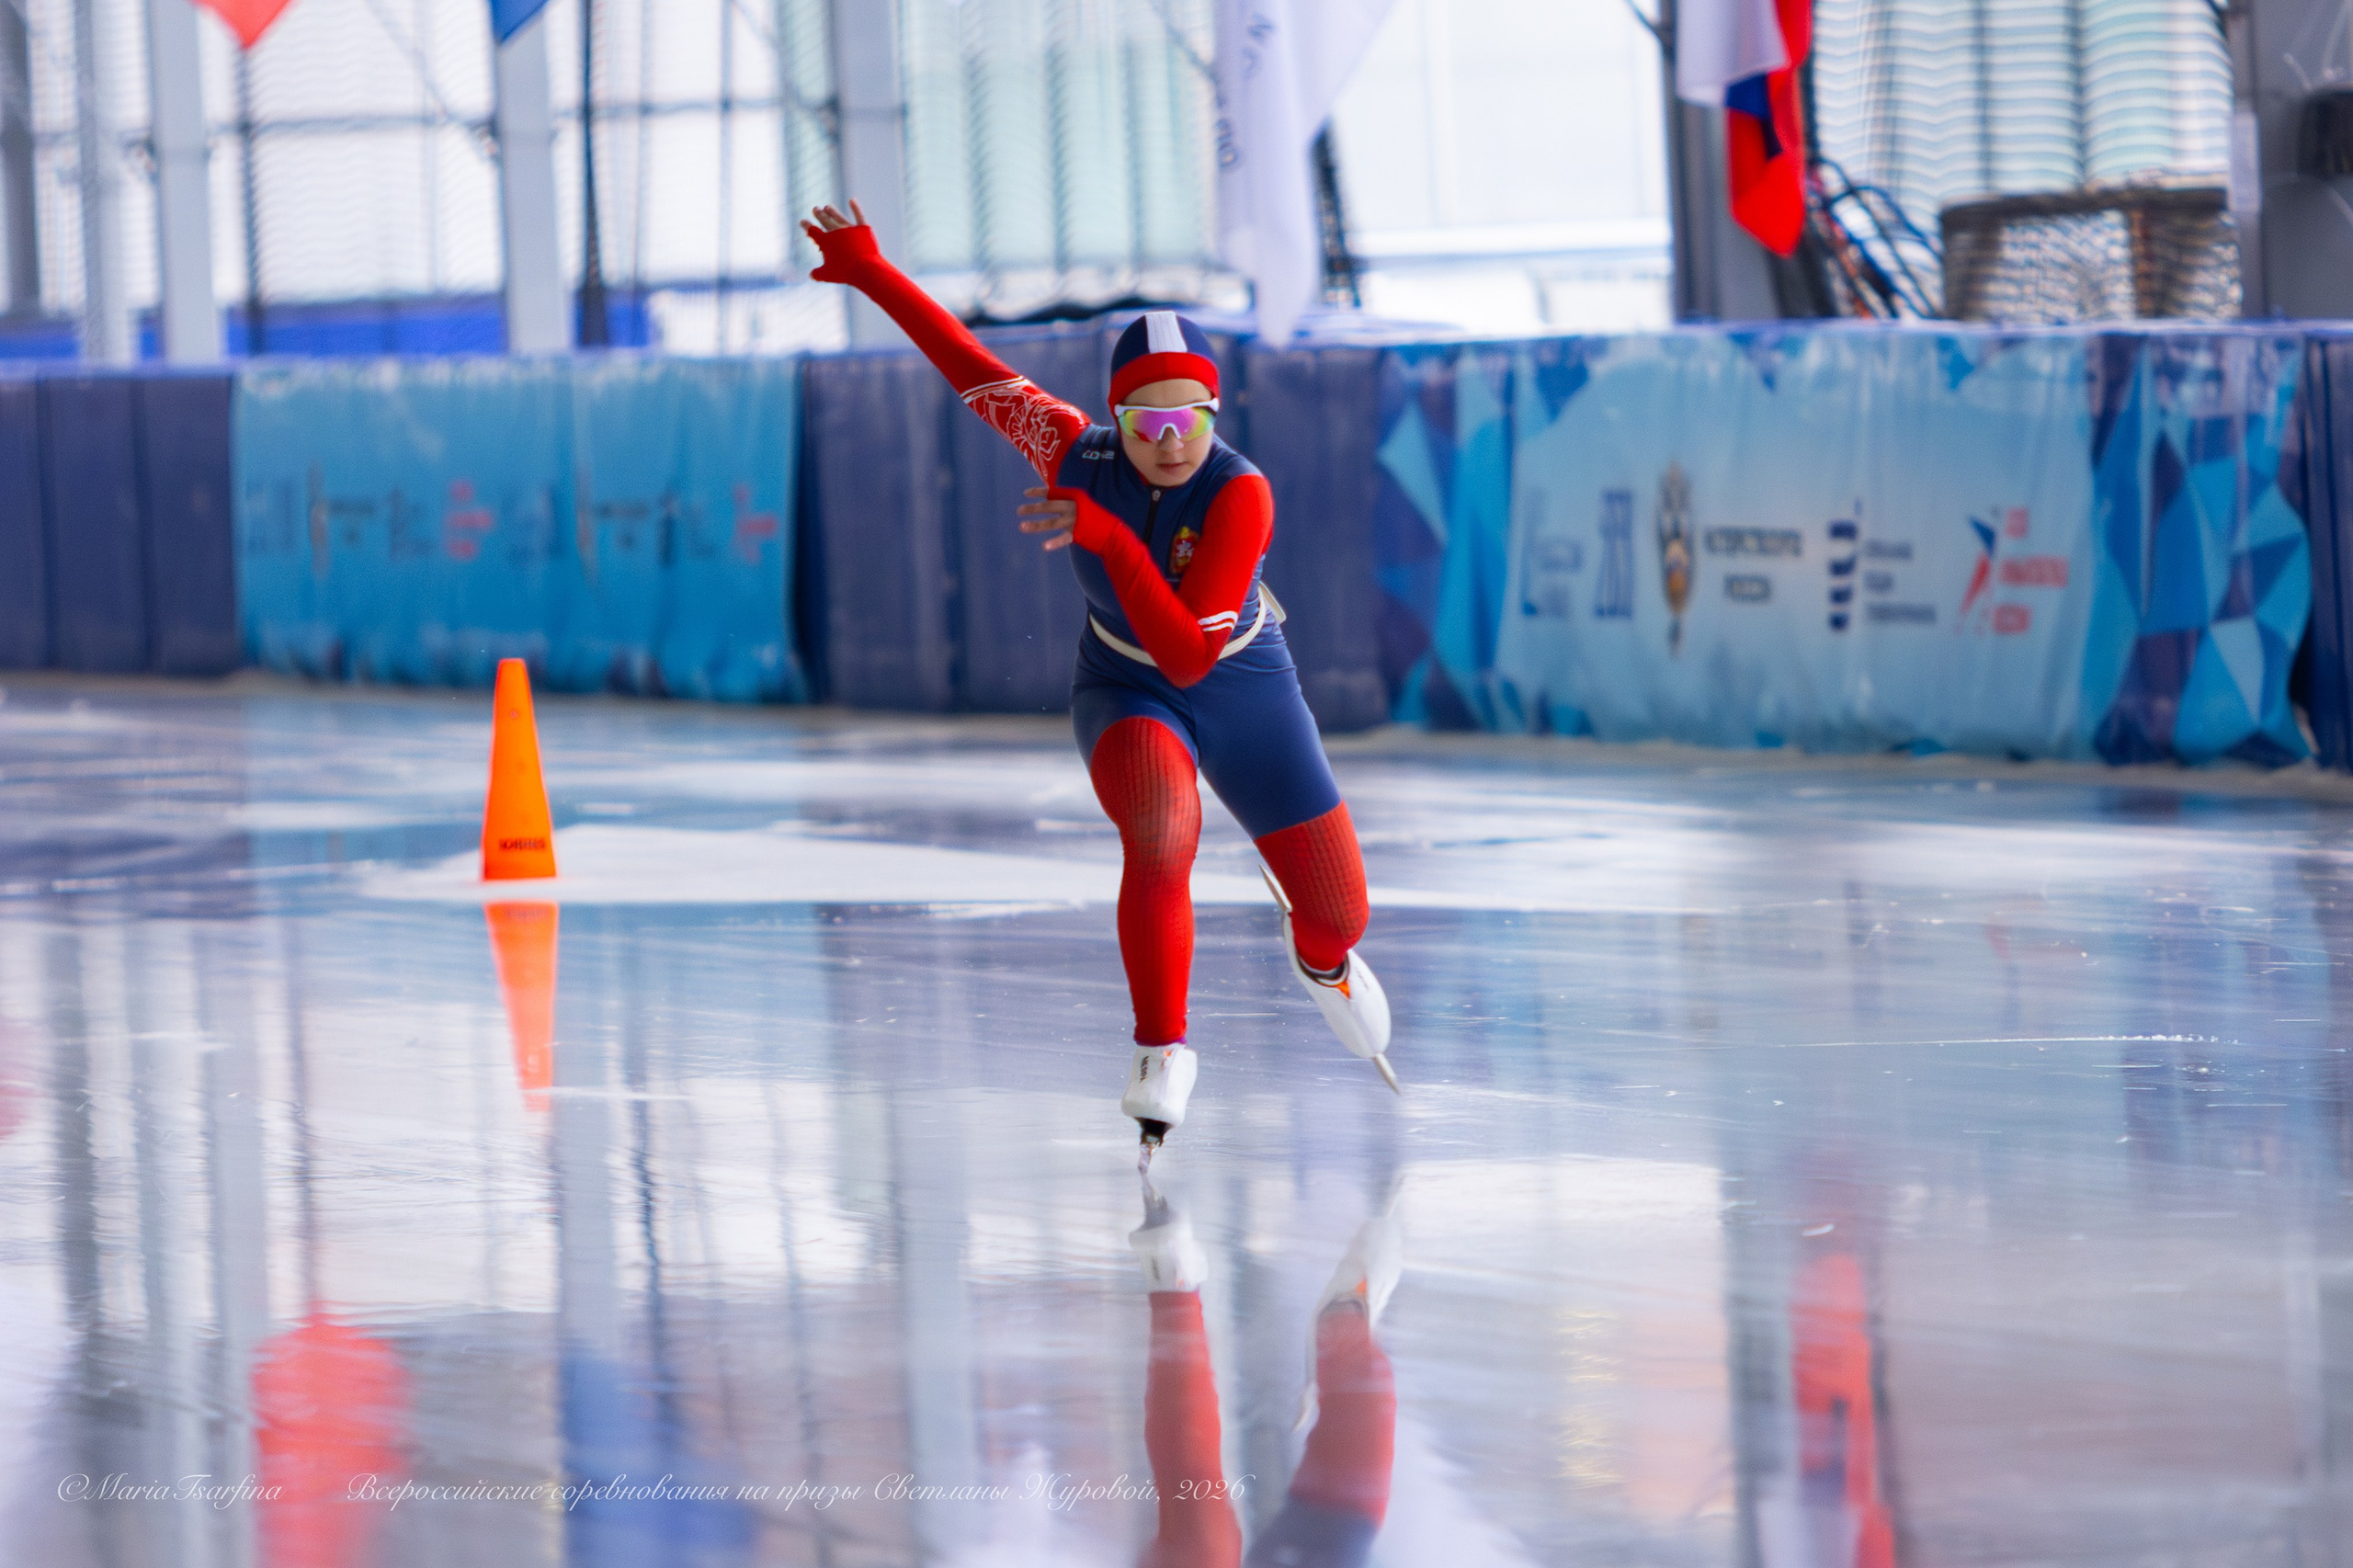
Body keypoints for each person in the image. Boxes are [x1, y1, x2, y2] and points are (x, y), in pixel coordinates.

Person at [801, 202, 1394, 1152]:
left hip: (1242, 686)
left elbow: (1193, 654)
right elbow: (967, 364)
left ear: (1213, 413)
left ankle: (1322, 960)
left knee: (1338, 912)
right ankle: (1162, 1049)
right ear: (1117, 419)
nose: (1168, 439)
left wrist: (1114, 542)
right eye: (1144, 418)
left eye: (1186, 416)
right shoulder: (1071, 449)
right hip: (1127, 689)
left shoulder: (1240, 493)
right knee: (1162, 827)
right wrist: (872, 272)